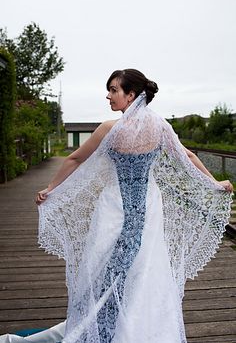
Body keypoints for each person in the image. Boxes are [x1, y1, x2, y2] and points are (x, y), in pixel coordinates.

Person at [0, 69, 233, 343]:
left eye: (114, 90)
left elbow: (75, 159)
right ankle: (129, 324)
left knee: (109, 266)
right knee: (142, 268)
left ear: (130, 95)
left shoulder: (110, 129)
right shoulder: (160, 126)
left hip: (115, 206)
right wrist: (214, 183)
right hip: (148, 204)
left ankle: (111, 324)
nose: (108, 96)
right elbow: (188, 156)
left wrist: (51, 188)